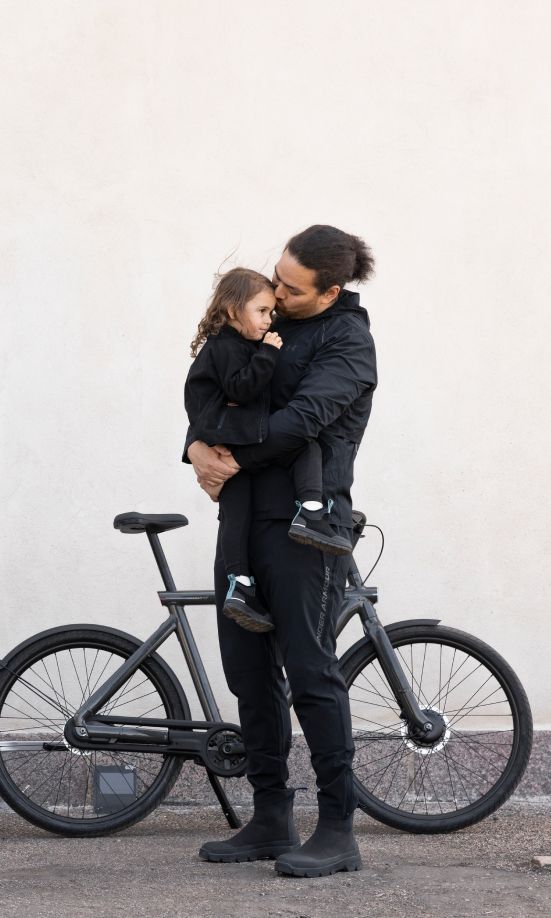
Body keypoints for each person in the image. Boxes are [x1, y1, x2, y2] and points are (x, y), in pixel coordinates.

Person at [190, 225, 377, 878]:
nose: (274, 291)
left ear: (329, 290)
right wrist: (194, 445)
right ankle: (270, 815)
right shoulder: (268, 319)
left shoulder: (348, 344)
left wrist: (226, 453)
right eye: (275, 277)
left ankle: (336, 828)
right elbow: (216, 380)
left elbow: (301, 421)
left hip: (305, 529)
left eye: (290, 288)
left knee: (309, 672)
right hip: (241, 519)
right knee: (247, 671)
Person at [183, 268, 352, 633]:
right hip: (231, 430)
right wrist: (268, 354)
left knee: (235, 509)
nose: (269, 318)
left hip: (224, 432)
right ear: (231, 311)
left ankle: (239, 584)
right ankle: (310, 510)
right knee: (304, 445)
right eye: (262, 311)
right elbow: (241, 389)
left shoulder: (230, 342)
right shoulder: (229, 346)